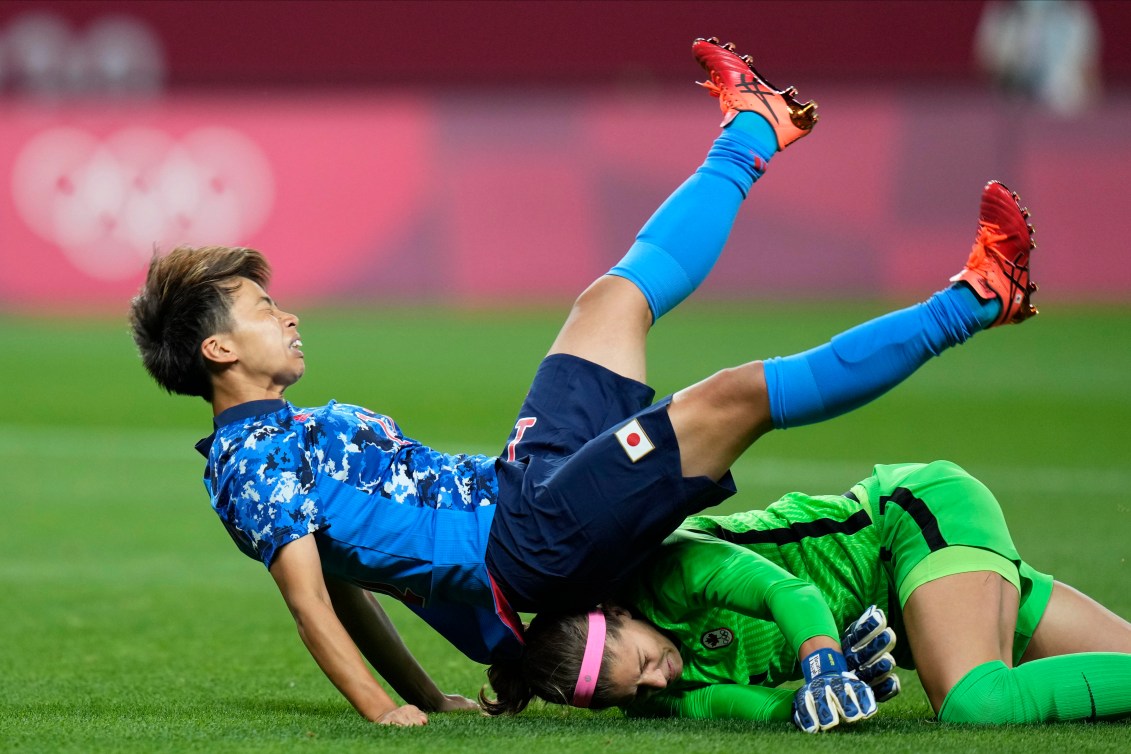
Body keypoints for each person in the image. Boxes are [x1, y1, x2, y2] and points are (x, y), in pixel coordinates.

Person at [127, 37, 1038, 727]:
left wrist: (434, 695)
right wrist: (385, 709)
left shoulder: (284, 440)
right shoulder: (249, 464)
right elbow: (310, 596)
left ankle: (754, 126)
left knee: (609, 302)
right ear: (215, 352)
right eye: (258, 306)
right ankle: (977, 296)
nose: (284, 315)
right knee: (733, 397)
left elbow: (352, 578)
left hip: (525, 487)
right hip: (536, 545)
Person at [483, 460, 1131, 731]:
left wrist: (822, 661)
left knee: (974, 702)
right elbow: (756, 708)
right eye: (634, 692)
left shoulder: (668, 567)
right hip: (913, 605)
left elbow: (783, 589)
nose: (658, 682)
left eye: (646, 662)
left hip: (906, 521)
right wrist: (813, 701)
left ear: (618, 613)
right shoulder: (656, 699)